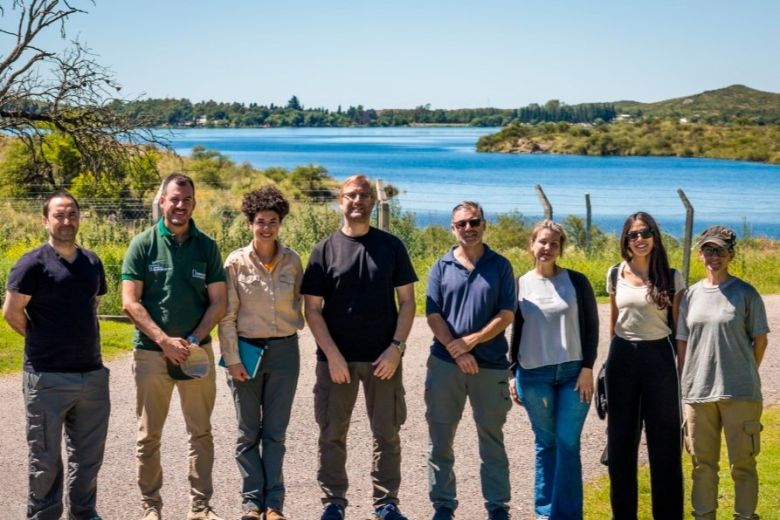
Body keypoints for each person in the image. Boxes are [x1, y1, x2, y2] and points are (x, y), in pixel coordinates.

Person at [301, 174, 417, 520]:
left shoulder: (392, 246)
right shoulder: (324, 249)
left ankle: (386, 503)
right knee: (332, 434)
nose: (358, 201)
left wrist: (396, 347)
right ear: (341, 200)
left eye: (364, 196)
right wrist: (333, 356)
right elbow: (312, 309)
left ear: (372, 202)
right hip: (335, 362)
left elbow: (408, 302)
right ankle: (333, 503)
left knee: (387, 434)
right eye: (351, 195)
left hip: (384, 359)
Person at [121, 173, 227, 520]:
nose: (180, 205)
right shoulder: (142, 245)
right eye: (174, 199)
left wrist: (193, 340)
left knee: (201, 433)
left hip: (196, 352)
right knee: (148, 436)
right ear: (162, 201)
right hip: (152, 353)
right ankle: (151, 507)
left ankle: (201, 507)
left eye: (187, 200)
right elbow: (130, 302)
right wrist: (164, 341)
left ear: (193, 204)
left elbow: (218, 303)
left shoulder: (207, 246)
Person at [3, 191, 110, 520]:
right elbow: (12, 311)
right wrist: (42, 338)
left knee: (88, 456)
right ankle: (44, 515)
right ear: (45, 220)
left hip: (91, 374)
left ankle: (83, 511)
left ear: (79, 217)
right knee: (45, 458)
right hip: (47, 376)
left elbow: (93, 305)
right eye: (59, 215)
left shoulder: (91, 261)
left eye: (72, 214)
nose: (66, 221)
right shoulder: (32, 263)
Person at [424, 201, 516, 520]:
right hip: (445, 365)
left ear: (483, 224)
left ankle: (497, 506)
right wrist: (455, 348)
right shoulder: (441, 266)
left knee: (491, 437)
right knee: (440, 437)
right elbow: (432, 314)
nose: (468, 228)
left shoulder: (500, 266)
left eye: (473, 222)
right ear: (453, 228)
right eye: (461, 224)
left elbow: (506, 314)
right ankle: (443, 505)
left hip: (489, 366)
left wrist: (471, 342)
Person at [218, 186, 304, 520]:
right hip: (247, 352)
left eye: (272, 221)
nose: (266, 227)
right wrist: (234, 358)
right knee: (247, 432)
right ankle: (251, 501)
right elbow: (227, 316)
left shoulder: (293, 260)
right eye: (259, 221)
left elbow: (302, 302)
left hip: (285, 351)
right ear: (250, 223)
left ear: (280, 223)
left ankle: (274, 504)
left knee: (276, 433)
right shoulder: (235, 263)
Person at [677, 226, 769, 520]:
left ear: (731, 254)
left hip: (740, 392)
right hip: (698, 393)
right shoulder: (690, 296)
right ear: (700, 254)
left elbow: (760, 340)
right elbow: (682, 342)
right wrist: (686, 380)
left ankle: (744, 515)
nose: (713, 256)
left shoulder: (746, 293)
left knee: (743, 464)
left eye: (720, 250)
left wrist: (742, 370)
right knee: (702, 465)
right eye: (708, 250)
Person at [509, 219, 599, 520]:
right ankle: (546, 513)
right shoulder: (519, 284)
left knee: (568, 443)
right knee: (545, 443)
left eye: (554, 243)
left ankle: (569, 514)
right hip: (533, 375)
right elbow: (515, 331)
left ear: (560, 249)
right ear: (531, 245)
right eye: (542, 242)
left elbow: (591, 327)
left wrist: (588, 367)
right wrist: (512, 372)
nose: (547, 248)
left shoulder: (576, 281)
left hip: (574, 374)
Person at [605, 211, 685, 519]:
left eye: (645, 233)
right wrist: (609, 365)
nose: (640, 239)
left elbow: (680, 330)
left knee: (665, 447)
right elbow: (613, 327)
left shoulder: (672, 276)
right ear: (625, 240)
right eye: (633, 235)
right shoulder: (615, 274)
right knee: (621, 447)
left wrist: (680, 371)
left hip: (660, 360)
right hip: (622, 359)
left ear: (655, 236)